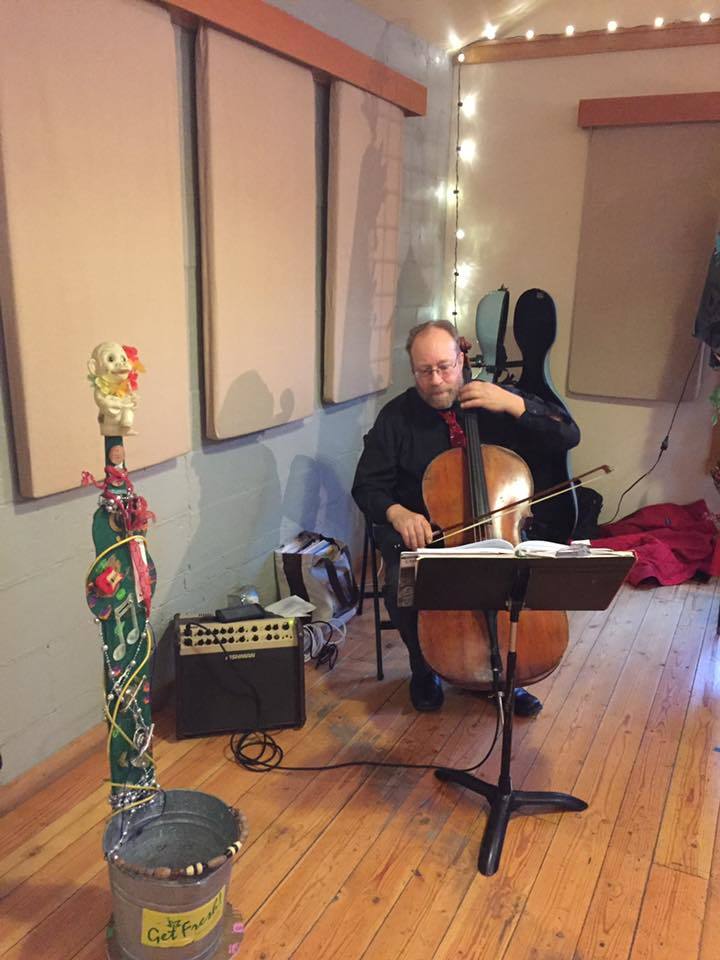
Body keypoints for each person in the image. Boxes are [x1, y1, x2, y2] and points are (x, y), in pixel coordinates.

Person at [352, 320, 581, 714]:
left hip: (501, 534)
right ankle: (424, 666)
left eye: (445, 366)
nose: (438, 380)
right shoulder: (397, 417)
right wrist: (399, 512)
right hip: (431, 538)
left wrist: (514, 404)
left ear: (461, 359)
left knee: (516, 582)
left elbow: (568, 434)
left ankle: (508, 673)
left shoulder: (495, 400)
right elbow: (366, 486)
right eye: (426, 371)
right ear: (413, 371)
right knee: (401, 586)